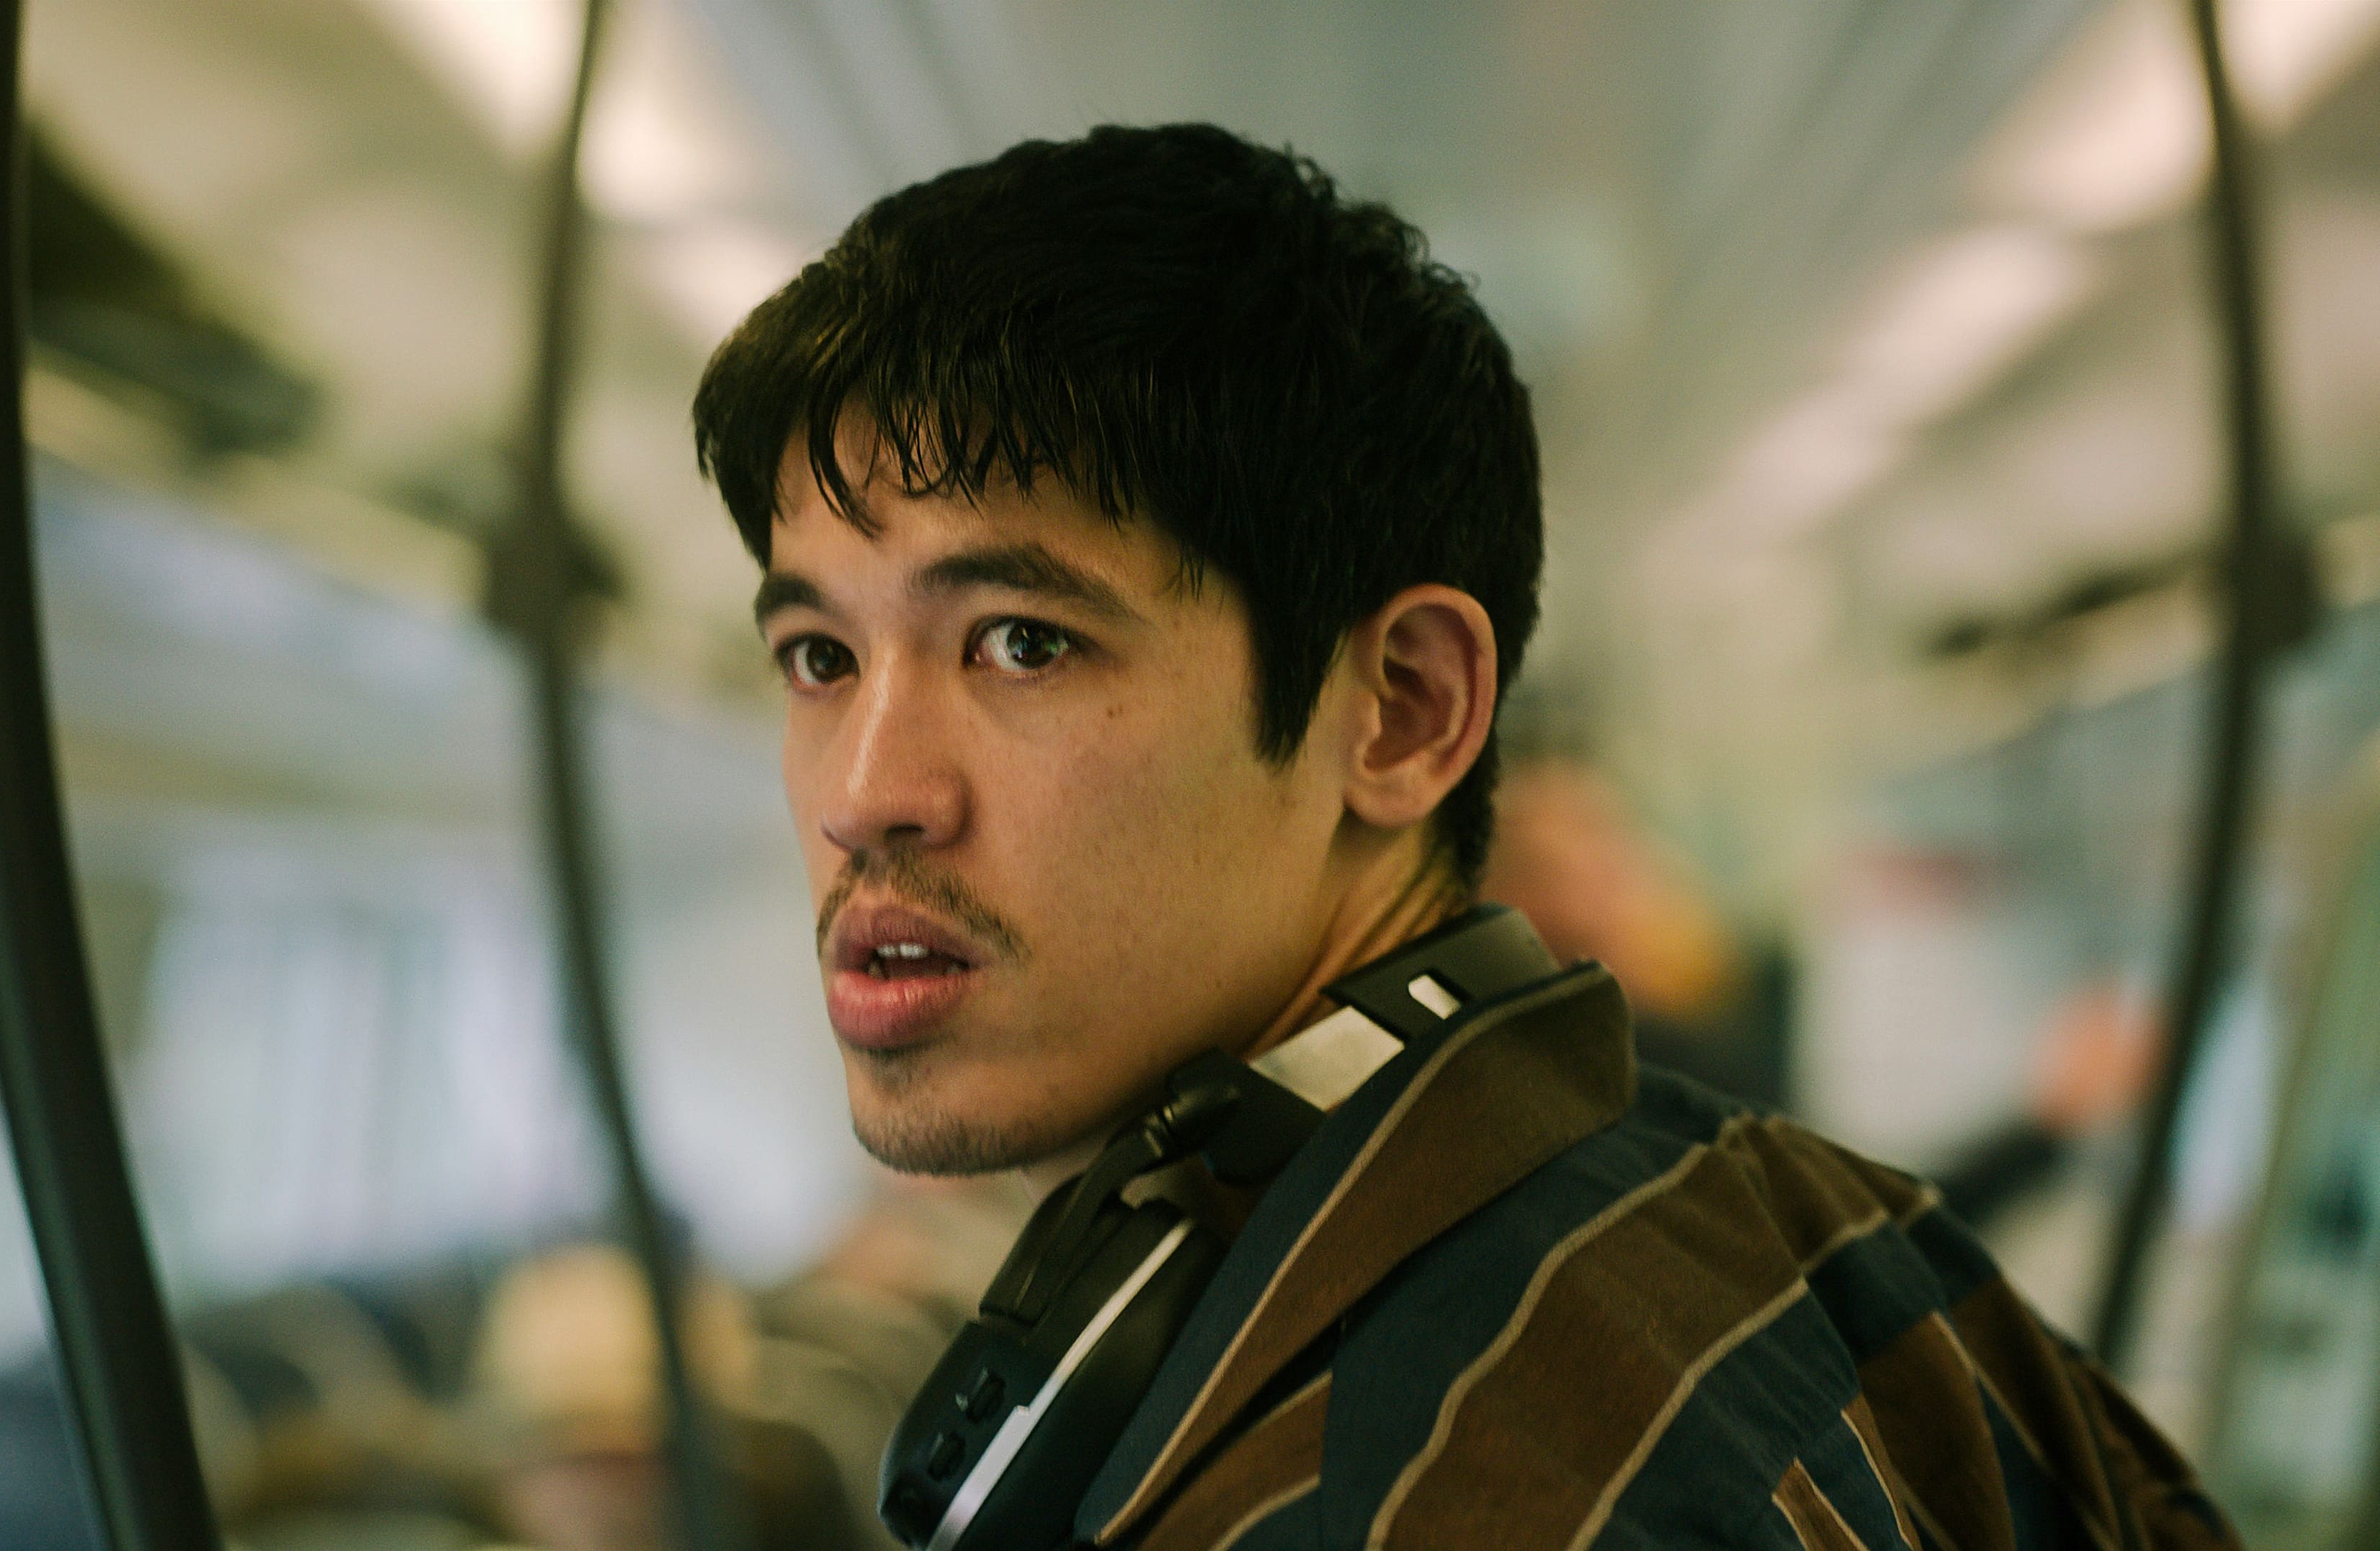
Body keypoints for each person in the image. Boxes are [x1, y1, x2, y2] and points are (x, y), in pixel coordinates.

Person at [691, 124, 2235, 1550]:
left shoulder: (1378, 1496)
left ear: (1405, 712)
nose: (863, 792)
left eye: (1022, 643)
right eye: (819, 657)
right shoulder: (1850, 1237)